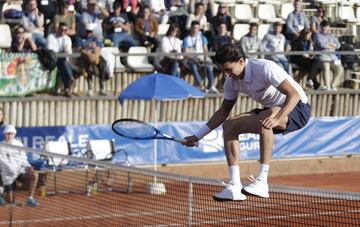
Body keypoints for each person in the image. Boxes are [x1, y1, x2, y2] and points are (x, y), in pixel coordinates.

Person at [182, 43, 311, 201]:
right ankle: (235, 185)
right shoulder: (231, 81)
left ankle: (262, 181)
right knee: (229, 125)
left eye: (229, 69)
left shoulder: (265, 68)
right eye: (224, 71)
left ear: (241, 61)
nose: (228, 74)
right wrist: (197, 136)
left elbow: (294, 94)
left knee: (265, 118)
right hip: (270, 110)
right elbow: (223, 112)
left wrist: (276, 119)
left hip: (297, 109)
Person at [0, 125, 39, 206]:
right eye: (8, 134)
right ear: (5, 134)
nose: (9, 135)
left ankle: (30, 198)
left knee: (34, 174)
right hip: (6, 174)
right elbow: (2, 162)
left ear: (14, 134)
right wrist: (12, 171)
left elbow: (23, 158)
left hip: (19, 172)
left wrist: (28, 166)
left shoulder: (19, 144)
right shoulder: (1, 146)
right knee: (10, 201)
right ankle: (2, 194)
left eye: (11, 134)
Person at [183, 21, 218, 93]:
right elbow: (186, 53)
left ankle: (212, 86)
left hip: (201, 58)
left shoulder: (202, 38)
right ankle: (200, 86)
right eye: (194, 28)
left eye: (197, 28)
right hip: (191, 58)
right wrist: (195, 60)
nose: (195, 30)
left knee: (208, 63)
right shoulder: (186, 39)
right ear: (191, 28)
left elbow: (205, 50)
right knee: (193, 66)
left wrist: (204, 59)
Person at [313, 20, 344, 91]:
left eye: (327, 27)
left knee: (340, 69)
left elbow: (338, 45)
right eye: (323, 27)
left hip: (332, 56)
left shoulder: (331, 35)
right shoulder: (317, 35)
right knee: (326, 67)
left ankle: (333, 84)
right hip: (322, 55)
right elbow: (322, 45)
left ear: (329, 28)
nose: (325, 29)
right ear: (321, 27)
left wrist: (329, 45)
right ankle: (328, 87)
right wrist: (332, 45)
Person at [47, 22, 75, 97]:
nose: (63, 32)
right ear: (58, 29)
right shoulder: (51, 37)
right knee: (63, 62)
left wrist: (64, 52)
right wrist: (62, 52)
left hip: (63, 61)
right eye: (61, 29)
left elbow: (69, 53)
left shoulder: (67, 39)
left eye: (65, 30)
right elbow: (50, 51)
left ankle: (67, 88)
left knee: (63, 63)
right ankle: (70, 80)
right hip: (52, 60)